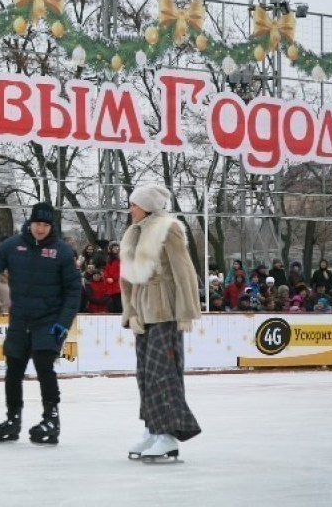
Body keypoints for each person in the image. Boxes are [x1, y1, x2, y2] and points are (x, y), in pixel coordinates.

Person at [0, 202, 80, 445]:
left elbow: (73, 292)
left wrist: (63, 322)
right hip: (20, 319)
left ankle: (52, 419)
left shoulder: (62, 252)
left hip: (48, 321)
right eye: (38, 223)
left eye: (46, 225)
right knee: (14, 369)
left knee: (44, 365)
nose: (41, 229)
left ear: (52, 226)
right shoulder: (13, 246)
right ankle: (13, 419)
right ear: (31, 223)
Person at [120, 184, 201, 461]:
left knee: (163, 374)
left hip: (165, 311)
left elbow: (184, 271)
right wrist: (130, 313)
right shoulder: (133, 232)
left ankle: (168, 435)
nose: (130, 209)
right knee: (145, 374)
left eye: (134, 204)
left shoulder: (169, 228)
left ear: (147, 206)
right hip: (142, 314)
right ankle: (153, 429)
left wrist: (186, 313)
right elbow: (126, 279)